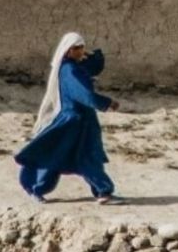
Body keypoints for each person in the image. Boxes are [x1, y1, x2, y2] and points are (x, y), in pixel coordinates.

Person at [14, 32, 123, 205]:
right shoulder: (70, 70)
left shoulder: (74, 67)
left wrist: (92, 56)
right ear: (68, 50)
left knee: (89, 157)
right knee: (53, 155)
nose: (81, 51)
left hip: (84, 121)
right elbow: (84, 94)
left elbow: (92, 68)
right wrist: (107, 102)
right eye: (77, 48)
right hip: (71, 121)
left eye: (82, 47)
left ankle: (103, 192)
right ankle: (36, 188)